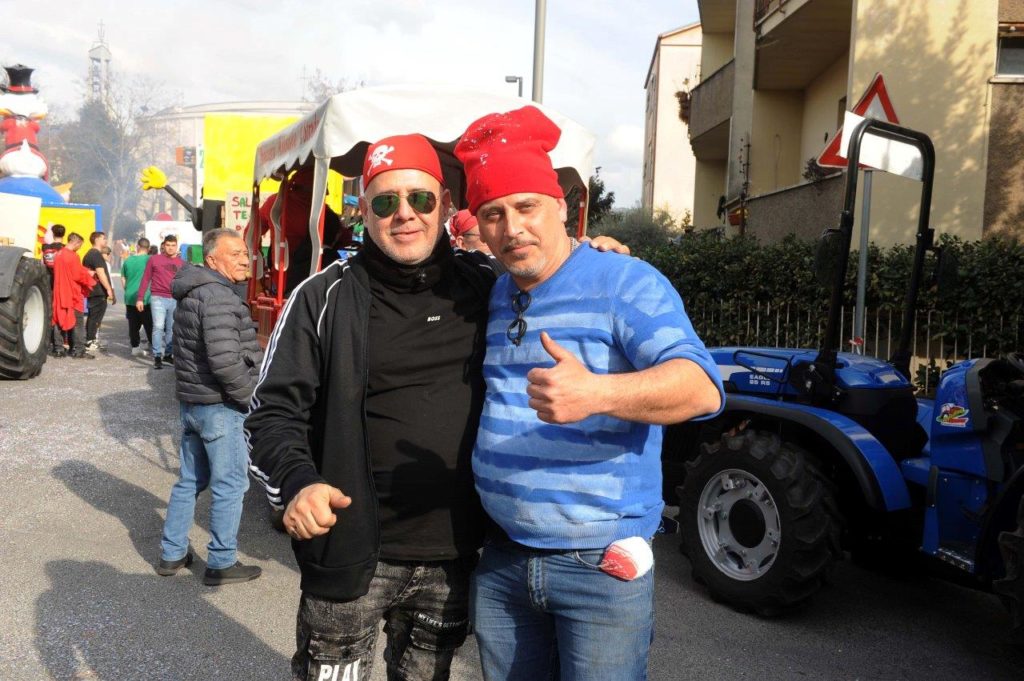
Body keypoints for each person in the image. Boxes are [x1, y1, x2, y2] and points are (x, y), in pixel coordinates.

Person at [246, 133, 628, 681]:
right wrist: (298, 482)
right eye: (385, 202)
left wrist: (594, 261)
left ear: (446, 206)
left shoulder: (487, 286)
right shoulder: (322, 297)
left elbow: (554, 283)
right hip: (350, 551)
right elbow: (271, 412)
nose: (404, 214)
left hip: (454, 558)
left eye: (420, 198)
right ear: (363, 212)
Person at [453, 106, 725, 681]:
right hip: (503, 556)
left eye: (526, 207)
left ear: (560, 206)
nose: (512, 228)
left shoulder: (623, 280)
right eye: (493, 213)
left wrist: (596, 393)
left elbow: (701, 388)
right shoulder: (497, 293)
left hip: (598, 564)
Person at [156, 228, 264, 586]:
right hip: (219, 406)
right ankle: (221, 561)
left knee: (190, 481)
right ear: (212, 260)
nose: (244, 259)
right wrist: (252, 398)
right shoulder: (218, 296)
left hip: (194, 405)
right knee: (230, 484)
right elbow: (225, 362)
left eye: (245, 253)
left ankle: (172, 553)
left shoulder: (195, 291)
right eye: (235, 254)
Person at [137, 234, 185, 369]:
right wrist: (140, 298)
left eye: (173, 245)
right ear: (164, 245)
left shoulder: (182, 263)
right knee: (158, 327)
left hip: (175, 299)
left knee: (171, 328)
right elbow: (145, 279)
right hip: (158, 297)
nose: (170, 248)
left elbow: (185, 282)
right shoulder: (154, 259)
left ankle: (168, 355)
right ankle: (157, 356)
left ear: (176, 246)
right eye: (168, 245)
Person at [51, 233, 97, 360]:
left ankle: (59, 349)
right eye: (80, 245)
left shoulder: (58, 254)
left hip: (59, 292)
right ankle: (78, 349)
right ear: (76, 242)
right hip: (72, 293)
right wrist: (89, 275)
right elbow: (77, 275)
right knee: (77, 322)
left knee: (59, 319)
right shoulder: (73, 256)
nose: (79, 248)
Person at [82, 231, 114, 351]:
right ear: (96, 240)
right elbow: (101, 273)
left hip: (95, 291)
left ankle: (92, 340)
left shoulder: (93, 254)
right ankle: (90, 341)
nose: (105, 240)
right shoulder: (95, 255)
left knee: (95, 317)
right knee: (94, 317)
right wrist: (109, 289)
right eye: (103, 238)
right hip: (97, 291)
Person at [121, 237, 153, 356]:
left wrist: (128, 289)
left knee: (133, 324)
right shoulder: (151, 260)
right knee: (149, 324)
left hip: (130, 297)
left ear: (138, 247)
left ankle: (135, 347)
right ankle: (155, 347)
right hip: (146, 297)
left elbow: (123, 279)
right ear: (148, 248)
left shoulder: (128, 260)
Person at [42, 224, 66, 355]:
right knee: (59, 315)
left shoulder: (45, 248)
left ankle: (46, 343)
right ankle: (59, 344)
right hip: (61, 285)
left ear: (52, 233)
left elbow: (43, 264)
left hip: (47, 282)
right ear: (64, 234)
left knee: (48, 313)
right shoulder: (65, 249)